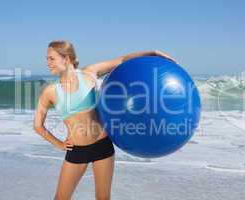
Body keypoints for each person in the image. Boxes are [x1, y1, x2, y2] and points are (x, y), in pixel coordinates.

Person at [33, 40, 175, 200]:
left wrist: (152, 53)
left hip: (102, 145)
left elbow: (121, 61)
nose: (47, 63)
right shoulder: (50, 92)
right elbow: (38, 125)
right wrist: (59, 144)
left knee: (103, 198)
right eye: (46, 59)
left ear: (65, 58)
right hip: (77, 150)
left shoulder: (89, 72)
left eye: (51, 58)